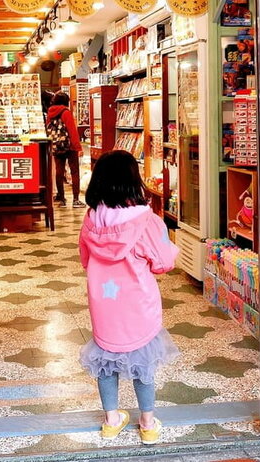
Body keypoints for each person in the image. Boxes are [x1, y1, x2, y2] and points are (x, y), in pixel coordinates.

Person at [78, 150, 180, 445]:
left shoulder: (91, 220)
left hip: (104, 306)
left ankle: (111, 420)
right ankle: (147, 423)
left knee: (105, 362)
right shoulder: (146, 221)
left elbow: (85, 259)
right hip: (139, 305)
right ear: (133, 180)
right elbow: (164, 262)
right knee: (143, 362)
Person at [46, 92, 83, 207]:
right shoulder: (66, 112)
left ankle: (62, 199)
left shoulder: (50, 113)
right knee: (74, 172)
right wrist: (78, 147)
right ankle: (76, 199)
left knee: (59, 172)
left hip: (57, 145)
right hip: (70, 146)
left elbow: (48, 129)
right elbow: (72, 131)